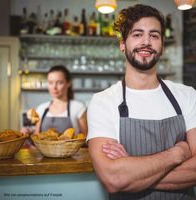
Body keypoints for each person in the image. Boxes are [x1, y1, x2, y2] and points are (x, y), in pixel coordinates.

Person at [87, 4, 196, 200]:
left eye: (154, 35)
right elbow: (114, 179)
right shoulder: (103, 102)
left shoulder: (187, 96)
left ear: (162, 45)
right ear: (122, 44)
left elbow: (123, 178)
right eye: (137, 34)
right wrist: (177, 153)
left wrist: (132, 171)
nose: (146, 42)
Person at [21, 65, 87, 136]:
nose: (54, 87)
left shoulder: (78, 107)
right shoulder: (42, 108)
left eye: (59, 82)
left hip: (70, 147)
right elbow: (36, 136)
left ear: (68, 83)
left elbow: (86, 137)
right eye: (50, 82)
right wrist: (28, 132)